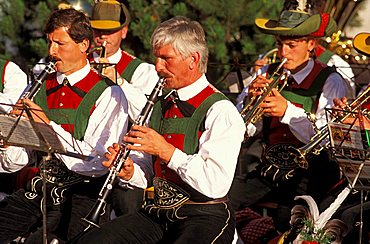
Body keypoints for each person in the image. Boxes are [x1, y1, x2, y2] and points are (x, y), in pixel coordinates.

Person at [76, 16, 245, 243]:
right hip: (158, 211)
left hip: (204, 215)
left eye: (166, 59)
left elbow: (215, 184)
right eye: (157, 58)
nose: (158, 67)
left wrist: (166, 151)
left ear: (193, 59)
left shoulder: (221, 110)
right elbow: (148, 170)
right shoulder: (159, 103)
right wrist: (129, 171)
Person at [0, 8, 135, 243]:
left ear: (83, 45)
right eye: (50, 43)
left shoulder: (108, 93)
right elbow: (15, 163)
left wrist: (47, 125)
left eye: (60, 44)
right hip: (40, 188)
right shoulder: (40, 87)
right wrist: (10, 138)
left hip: (84, 193)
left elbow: (97, 163)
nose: (52, 52)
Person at [229, 2, 349, 234]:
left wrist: (286, 111)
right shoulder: (265, 72)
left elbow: (327, 139)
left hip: (310, 173)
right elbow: (240, 128)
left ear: (311, 45)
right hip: (270, 168)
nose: (283, 53)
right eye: (280, 45)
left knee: (289, 218)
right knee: (221, 201)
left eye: (292, 45)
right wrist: (249, 103)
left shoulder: (330, 80)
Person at [88, 0, 160, 218]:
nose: (103, 37)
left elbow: (147, 117)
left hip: (127, 160)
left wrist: (119, 81)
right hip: (86, 157)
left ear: (124, 31)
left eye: (110, 31)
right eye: (98, 31)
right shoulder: (80, 65)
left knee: (128, 207)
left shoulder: (142, 71)